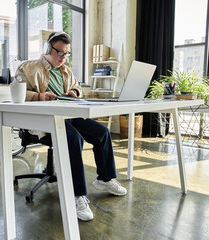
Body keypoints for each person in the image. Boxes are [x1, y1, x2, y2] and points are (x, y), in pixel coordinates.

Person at [15, 31, 127, 221]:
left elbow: (78, 88)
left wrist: (74, 92)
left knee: (102, 132)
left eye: (67, 54)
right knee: (73, 138)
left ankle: (105, 179)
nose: (63, 57)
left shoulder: (66, 71)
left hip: (69, 116)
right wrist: (38, 96)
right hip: (43, 121)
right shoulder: (28, 67)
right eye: (60, 53)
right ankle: (77, 195)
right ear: (47, 50)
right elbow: (15, 93)